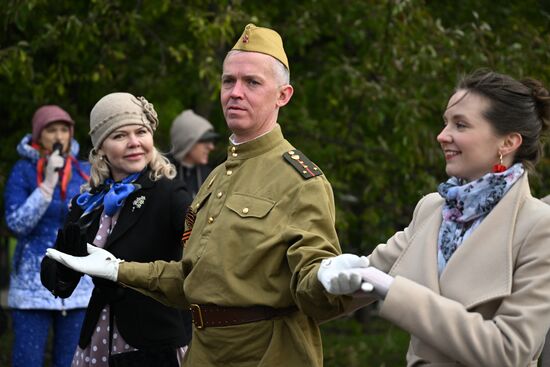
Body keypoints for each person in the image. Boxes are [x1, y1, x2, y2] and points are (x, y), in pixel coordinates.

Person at [44, 24, 360, 367]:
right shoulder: (216, 177)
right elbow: (191, 281)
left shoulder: (300, 181)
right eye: (229, 81)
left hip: (265, 355)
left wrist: (329, 281)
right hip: (204, 353)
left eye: (252, 82)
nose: (235, 92)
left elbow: (314, 293)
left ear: (283, 95)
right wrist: (118, 269)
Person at [318, 70, 550, 366]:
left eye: (461, 125)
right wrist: (327, 275)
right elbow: (360, 281)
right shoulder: (433, 208)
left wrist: (392, 290)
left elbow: (509, 350)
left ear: (508, 143)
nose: (442, 136)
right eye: (446, 123)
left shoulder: (540, 226)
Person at [40, 92, 193, 366]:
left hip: (155, 342)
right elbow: (58, 284)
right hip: (99, 339)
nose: (134, 143)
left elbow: (205, 247)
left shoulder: (169, 193)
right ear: (100, 149)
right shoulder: (88, 202)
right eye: (120, 136)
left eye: (141, 132)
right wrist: (65, 265)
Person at [4, 105, 93, 367]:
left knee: (72, 362)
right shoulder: (23, 171)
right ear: (38, 135)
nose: (58, 136)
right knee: (27, 361)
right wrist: (47, 184)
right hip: (32, 287)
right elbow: (16, 224)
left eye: (64, 129)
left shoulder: (84, 170)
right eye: (51, 130)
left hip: (77, 284)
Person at [167, 109, 219, 198]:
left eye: (211, 141)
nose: (211, 147)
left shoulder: (210, 176)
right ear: (187, 142)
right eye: (205, 141)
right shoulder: (163, 173)